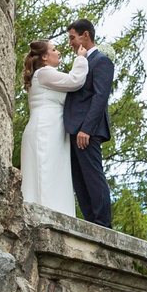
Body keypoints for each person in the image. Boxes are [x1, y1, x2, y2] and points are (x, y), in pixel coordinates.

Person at [19, 38, 87, 215]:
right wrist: (80, 59)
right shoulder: (44, 73)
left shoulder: (44, 74)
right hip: (45, 127)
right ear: (44, 57)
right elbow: (75, 81)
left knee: (56, 172)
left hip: (52, 126)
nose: (58, 52)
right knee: (46, 171)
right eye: (54, 50)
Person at [60, 18, 117, 228]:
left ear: (86, 35)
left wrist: (87, 129)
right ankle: (91, 222)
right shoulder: (83, 61)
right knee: (79, 178)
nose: (70, 43)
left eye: (72, 38)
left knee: (93, 175)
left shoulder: (102, 61)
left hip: (87, 130)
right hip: (74, 130)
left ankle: (103, 224)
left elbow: (100, 97)